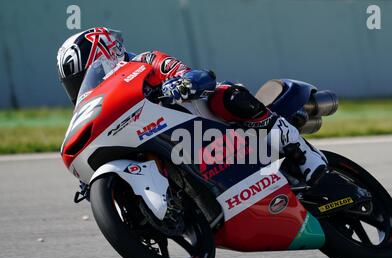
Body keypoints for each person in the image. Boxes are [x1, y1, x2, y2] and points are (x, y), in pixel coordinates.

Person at [57, 27, 327, 185]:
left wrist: (181, 83)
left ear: (102, 55)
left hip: (211, 126)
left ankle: (301, 152)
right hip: (179, 148)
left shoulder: (143, 62)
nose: (79, 87)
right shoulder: (104, 104)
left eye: (80, 78)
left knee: (225, 95)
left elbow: (198, 75)